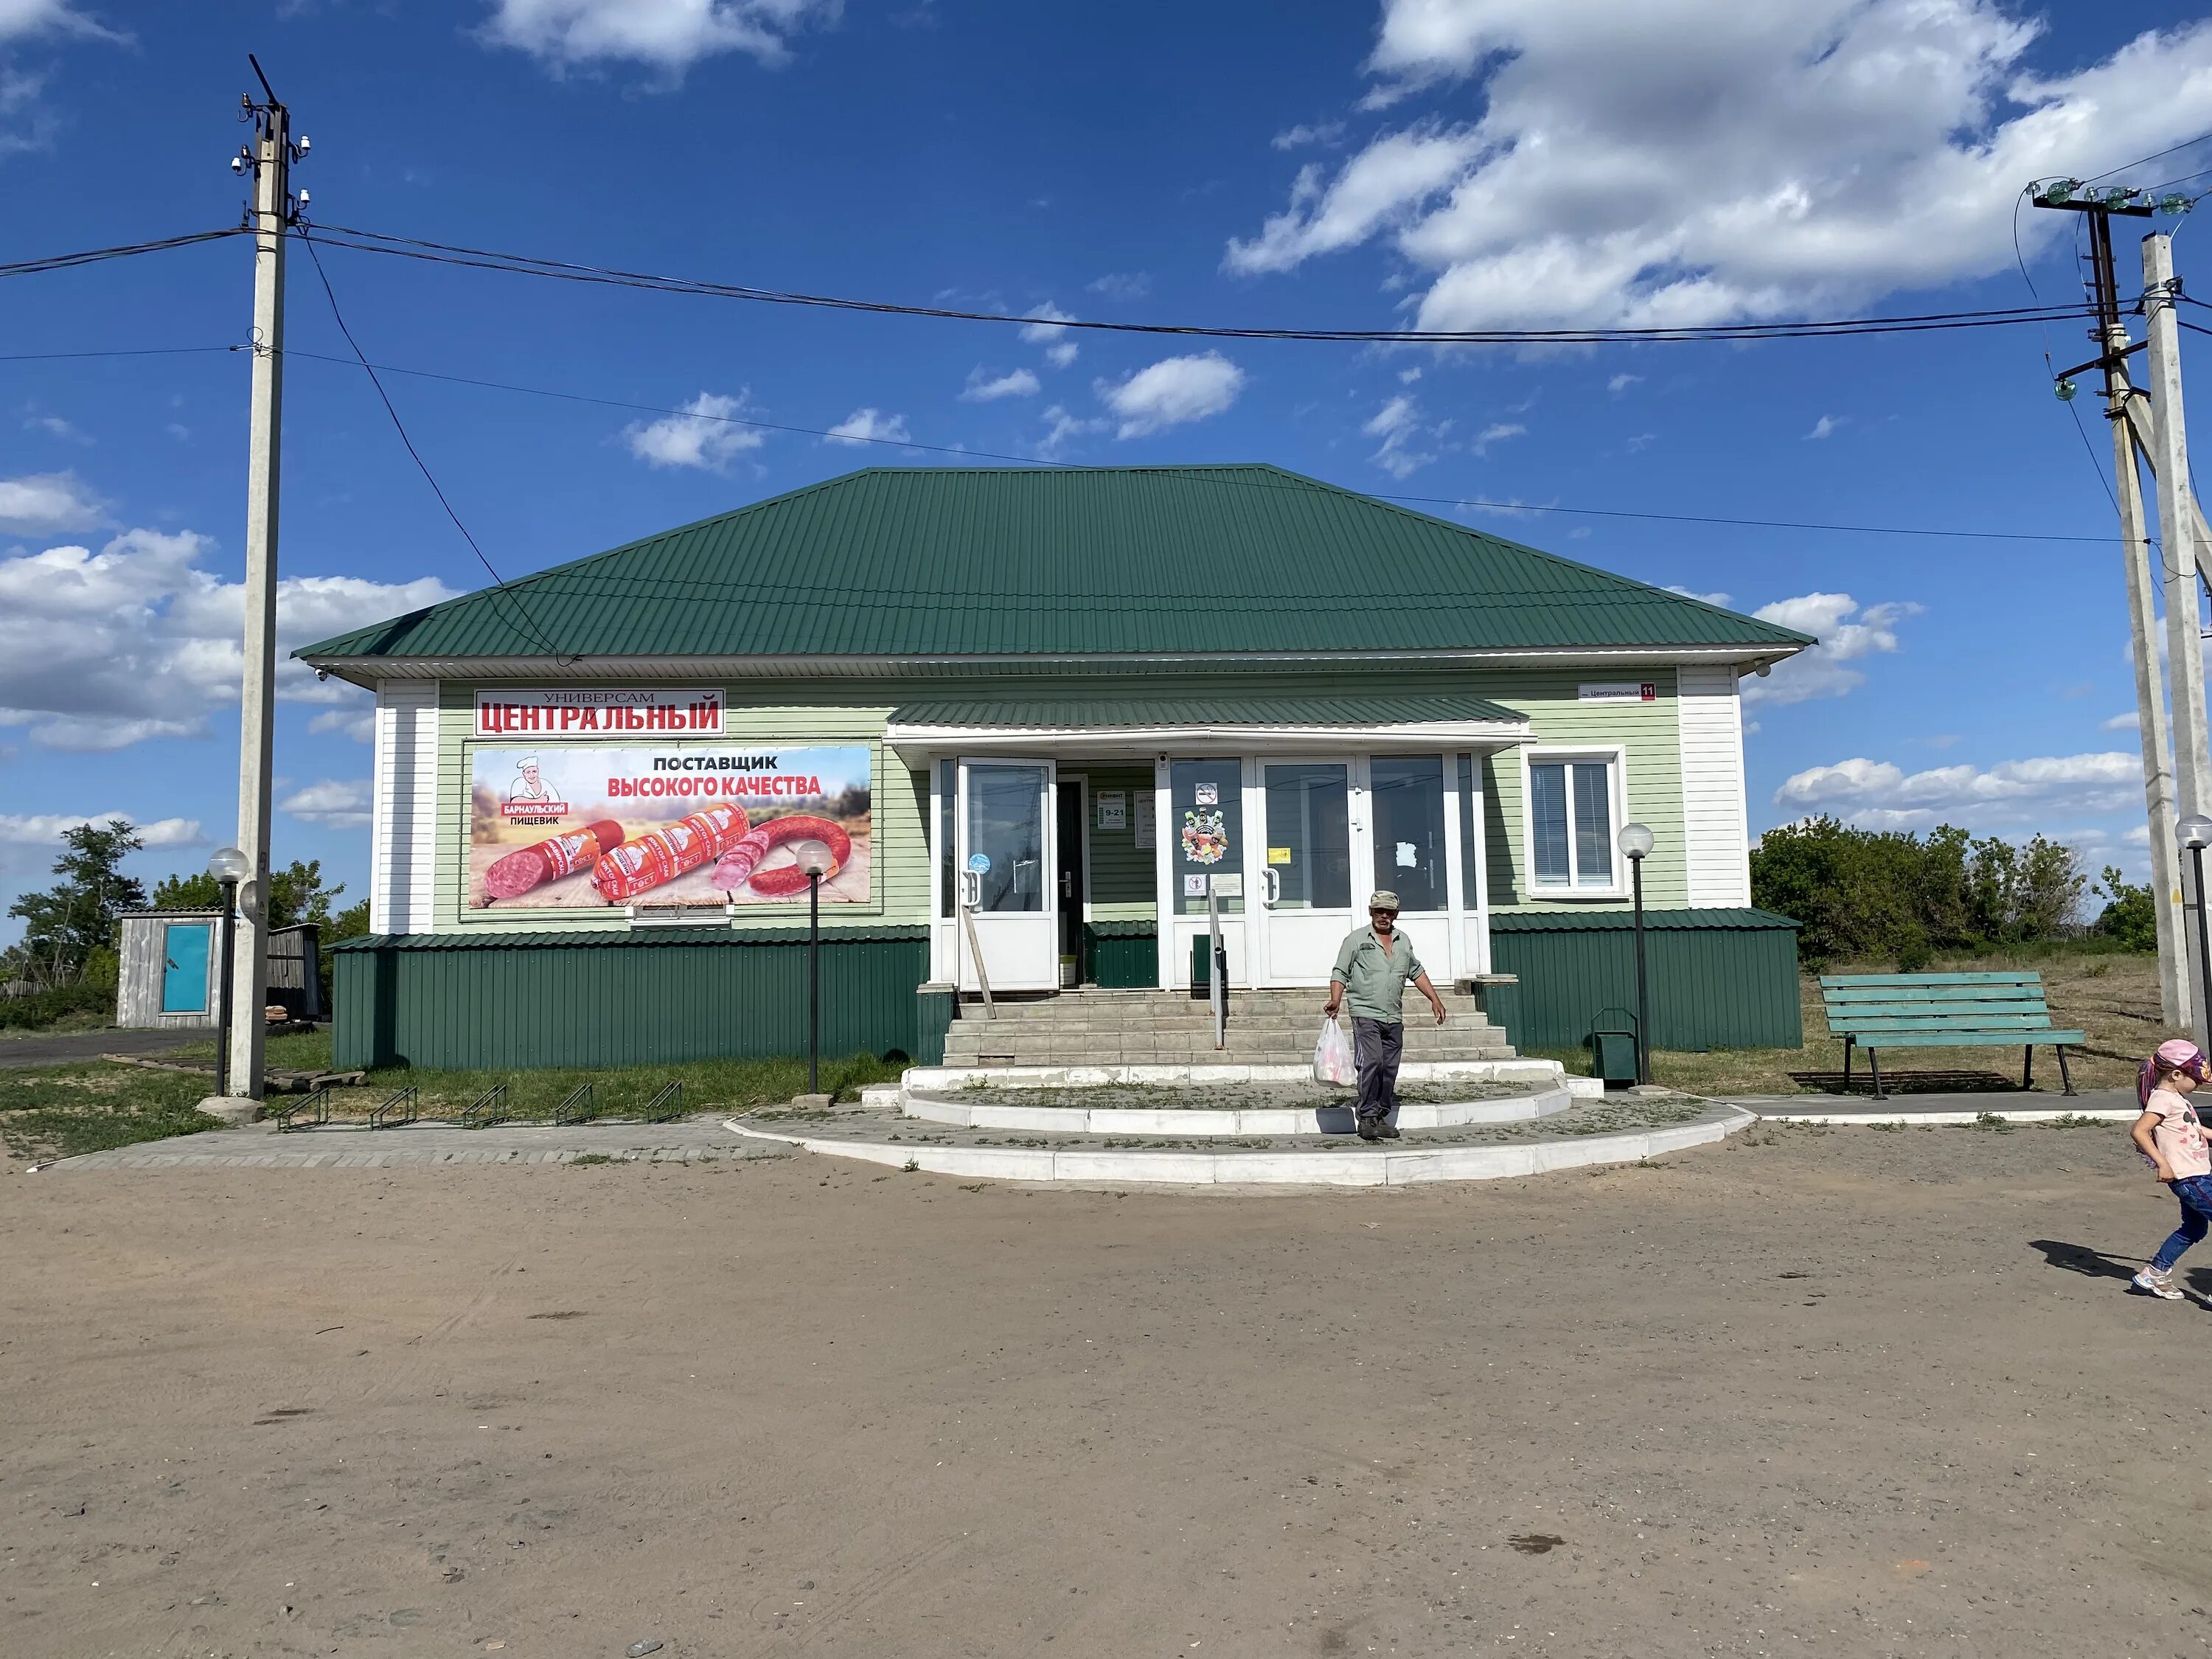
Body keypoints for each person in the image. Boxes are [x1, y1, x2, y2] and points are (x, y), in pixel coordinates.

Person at [1322, 891, 1448, 1142]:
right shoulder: (1356, 940)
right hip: (1365, 1012)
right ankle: (1367, 1116)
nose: (1383, 916)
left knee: (1389, 1068)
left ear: (1396, 915)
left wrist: (1435, 999)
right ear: (1371, 912)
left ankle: (1380, 1116)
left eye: (1389, 912)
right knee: (1373, 1061)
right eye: (1379, 911)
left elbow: (1416, 971)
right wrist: (1335, 999)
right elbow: (1340, 972)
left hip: (1393, 1016)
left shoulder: (1403, 940)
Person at [2129, 1038, 2212, 1300]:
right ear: (2177, 1074)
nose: (2197, 1086)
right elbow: (2139, 1131)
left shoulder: (2176, 1098)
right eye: (2196, 1081)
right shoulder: (2164, 1099)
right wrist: (2162, 1163)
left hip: (2196, 1175)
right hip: (2190, 1178)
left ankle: (2153, 1274)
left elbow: (2194, 1131)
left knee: (2194, 1229)